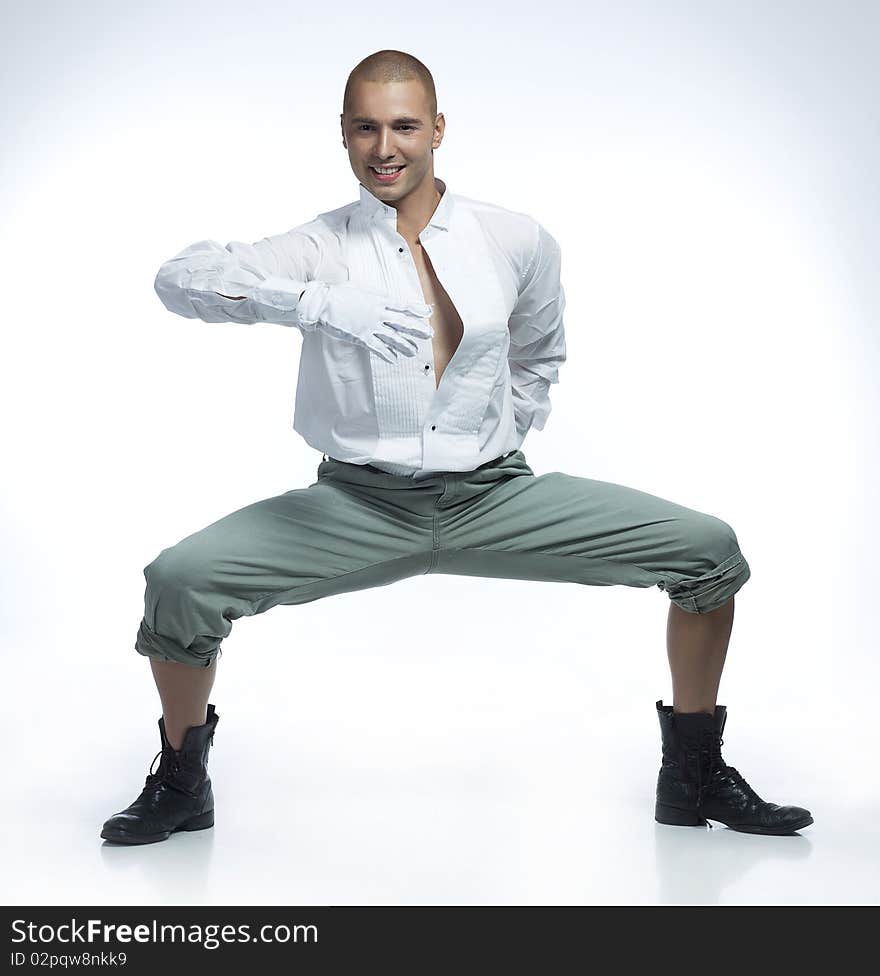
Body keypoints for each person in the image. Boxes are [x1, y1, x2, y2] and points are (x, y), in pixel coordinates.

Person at [101, 49, 813, 845]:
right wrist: (315, 303)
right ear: (342, 135)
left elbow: (539, 353)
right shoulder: (322, 247)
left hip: (496, 496)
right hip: (357, 504)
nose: (385, 147)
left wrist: (502, 425)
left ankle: (693, 776)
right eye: (365, 127)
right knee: (180, 580)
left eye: (404, 125)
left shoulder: (514, 238)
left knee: (708, 553)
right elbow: (179, 278)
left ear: (438, 129)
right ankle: (181, 781)